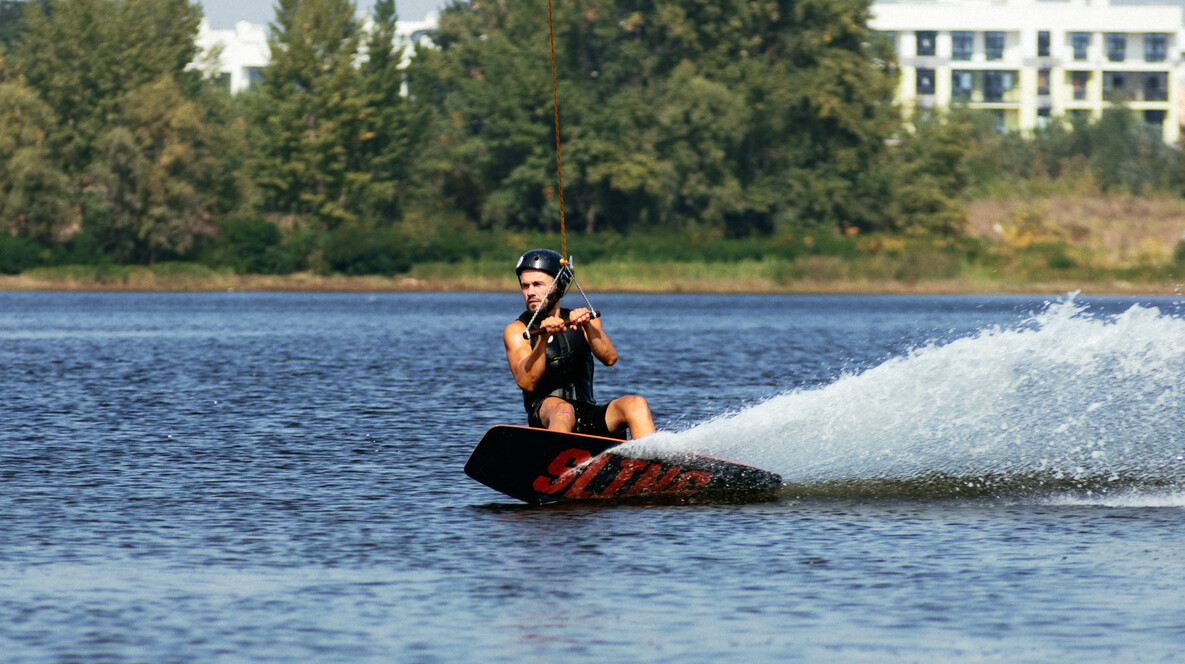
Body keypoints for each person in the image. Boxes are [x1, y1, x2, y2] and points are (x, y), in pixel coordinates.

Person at [504, 249, 656, 440]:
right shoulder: (518, 330)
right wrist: (542, 339)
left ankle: (651, 461)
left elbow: (610, 358)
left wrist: (587, 326)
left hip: (586, 413)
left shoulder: (584, 320)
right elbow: (526, 382)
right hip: (547, 417)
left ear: (558, 287)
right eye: (525, 286)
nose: (530, 292)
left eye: (537, 284)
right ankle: (555, 459)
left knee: (636, 404)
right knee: (563, 411)